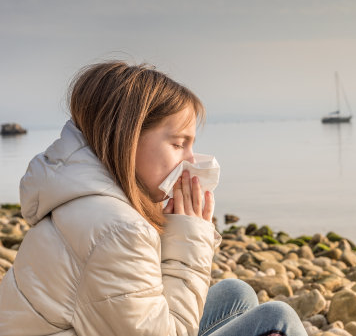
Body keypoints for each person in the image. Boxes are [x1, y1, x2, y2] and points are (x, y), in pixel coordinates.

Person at [0, 61, 307, 336]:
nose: (191, 160)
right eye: (178, 144)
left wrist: (172, 231)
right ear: (128, 138)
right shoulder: (119, 229)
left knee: (235, 293)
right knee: (277, 318)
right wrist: (191, 242)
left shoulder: (83, 198)